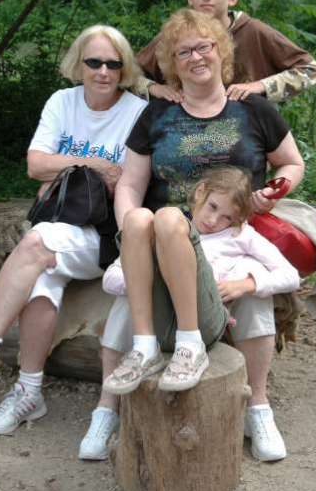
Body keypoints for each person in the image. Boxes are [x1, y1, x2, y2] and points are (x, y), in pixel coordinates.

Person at [0, 24, 147, 460]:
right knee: (42, 280)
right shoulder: (61, 102)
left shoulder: (137, 112)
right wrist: (92, 164)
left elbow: (126, 181)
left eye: (113, 63)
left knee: (36, 243)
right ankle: (29, 390)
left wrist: (67, 170)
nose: (103, 71)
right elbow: (35, 164)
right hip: (60, 225)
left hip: (105, 236)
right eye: (94, 62)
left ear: (124, 69)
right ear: (78, 65)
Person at [102, 7, 305, 461]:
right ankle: (107, 410)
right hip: (165, 235)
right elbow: (131, 186)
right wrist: (132, 232)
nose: (196, 57)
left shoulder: (253, 109)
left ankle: (258, 406)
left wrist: (272, 192)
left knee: (252, 296)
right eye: (184, 52)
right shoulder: (157, 115)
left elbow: (292, 162)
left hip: (230, 238)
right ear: (173, 65)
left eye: (204, 47)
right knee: (126, 293)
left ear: (221, 51)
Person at [102, 166, 299, 396]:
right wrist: (153, 278)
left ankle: (195, 350)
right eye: (213, 206)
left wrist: (246, 284)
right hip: (158, 319)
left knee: (167, 216)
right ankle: (137, 359)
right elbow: (110, 279)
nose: (214, 220)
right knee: (137, 217)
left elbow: (291, 275)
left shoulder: (239, 235)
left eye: (228, 217)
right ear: (200, 192)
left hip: (202, 320)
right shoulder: (164, 232)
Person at [137, 0, 316, 103]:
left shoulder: (254, 32)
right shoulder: (174, 36)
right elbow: (127, 75)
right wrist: (154, 89)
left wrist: (259, 86)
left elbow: (310, 69)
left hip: (249, 130)